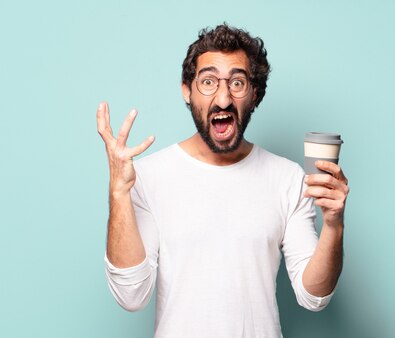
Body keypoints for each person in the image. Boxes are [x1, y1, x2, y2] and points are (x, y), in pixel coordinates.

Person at [96, 24, 349, 337]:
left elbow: (314, 296)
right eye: (208, 81)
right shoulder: (149, 176)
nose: (224, 98)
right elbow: (131, 295)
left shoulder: (287, 178)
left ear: (255, 93)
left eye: (238, 82)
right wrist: (119, 193)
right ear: (186, 90)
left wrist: (335, 225)